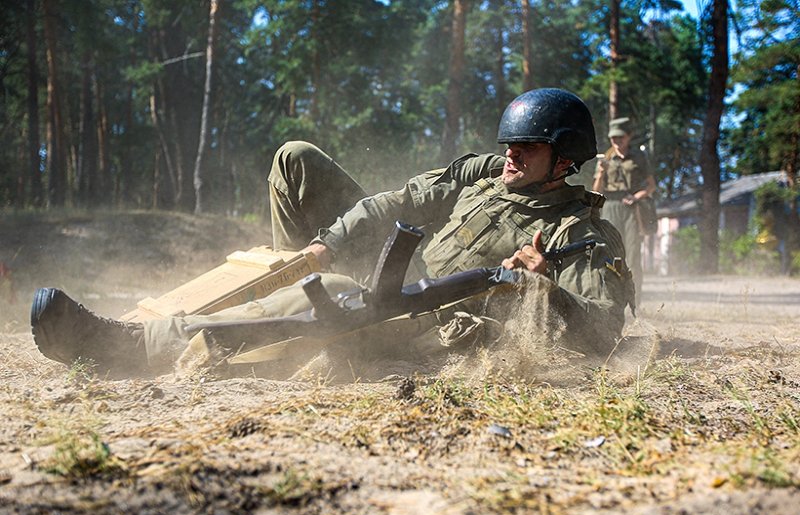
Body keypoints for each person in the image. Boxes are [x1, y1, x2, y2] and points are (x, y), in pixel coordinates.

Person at [31, 88, 634, 379]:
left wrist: (542, 290)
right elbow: (399, 201)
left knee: (328, 290)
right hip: (402, 270)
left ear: (563, 161)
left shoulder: (579, 232)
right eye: (508, 144)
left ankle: (128, 348)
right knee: (296, 160)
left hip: (436, 317)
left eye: (525, 148)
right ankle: (285, 288)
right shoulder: (483, 173)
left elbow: (605, 327)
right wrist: (327, 240)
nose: (509, 157)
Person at [592, 117, 656, 304]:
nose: (617, 141)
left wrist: (636, 197)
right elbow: (596, 190)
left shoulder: (639, 158)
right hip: (610, 207)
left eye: (620, 137)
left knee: (633, 256)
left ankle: (635, 302)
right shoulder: (606, 158)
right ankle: (612, 301)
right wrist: (602, 172)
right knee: (610, 255)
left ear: (629, 137)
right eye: (613, 138)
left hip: (631, 208)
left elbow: (651, 186)